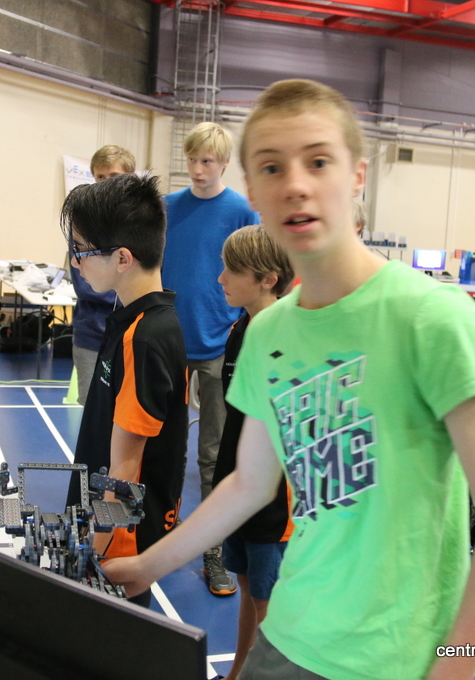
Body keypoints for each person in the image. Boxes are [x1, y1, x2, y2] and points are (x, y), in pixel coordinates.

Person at [104, 79, 475, 680]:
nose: (296, 184)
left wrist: (453, 669)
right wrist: (149, 564)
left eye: (319, 161)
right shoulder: (268, 332)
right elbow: (249, 483)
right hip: (290, 634)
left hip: (395, 658)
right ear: (254, 193)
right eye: (272, 167)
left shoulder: (432, 317)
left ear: (357, 175)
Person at [61, 173, 188, 609]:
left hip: (118, 541)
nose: (75, 261)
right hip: (106, 524)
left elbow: (125, 469)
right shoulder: (134, 319)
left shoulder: (145, 338)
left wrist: (92, 553)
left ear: (122, 258)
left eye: (82, 250)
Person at [163, 121, 258, 596]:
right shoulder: (168, 208)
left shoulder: (241, 211)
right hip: (169, 345)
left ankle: (213, 550)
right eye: (192, 160)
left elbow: (256, 271)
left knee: (214, 454)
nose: (198, 170)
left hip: (219, 346)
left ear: (223, 163)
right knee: (164, 445)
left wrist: (238, 324)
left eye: (207, 161)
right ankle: (160, 530)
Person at [212, 224, 294, 680]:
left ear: (267, 279)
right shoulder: (240, 328)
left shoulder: (284, 338)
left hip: (272, 503)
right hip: (237, 487)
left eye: (232, 270)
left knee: (268, 604)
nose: (221, 278)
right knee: (246, 586)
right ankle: (238, 671)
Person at [70, 145, 134, 406]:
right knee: (91, 410)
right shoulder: (80, 223)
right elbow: (85, 284)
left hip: (130, 334)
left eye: (114, 176)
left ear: (130, 178)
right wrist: (124, 289)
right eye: (100, 177)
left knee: (125, 411)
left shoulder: (140, 222)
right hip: (91, 334)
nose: (107, 183)